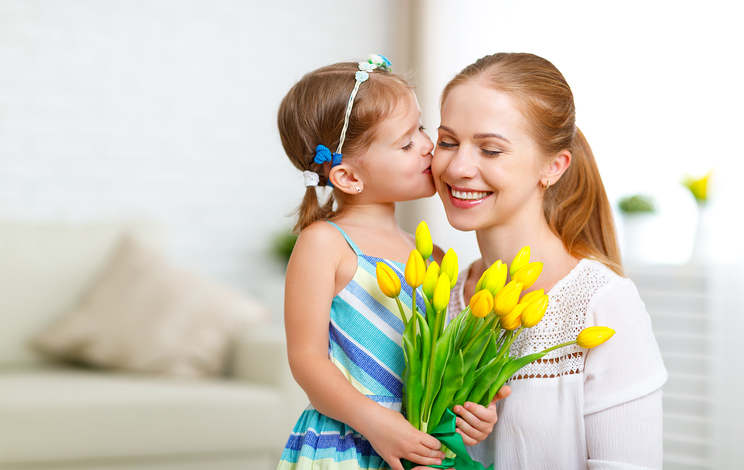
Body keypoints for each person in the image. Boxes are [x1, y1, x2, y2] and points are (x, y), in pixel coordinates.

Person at [432, 52, 668, 469]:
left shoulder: (602, 305)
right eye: (447, 142)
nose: (458, 166)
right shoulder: (440, 299)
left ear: (553, 167)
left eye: (490, 150)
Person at [276, 55, 505, 470]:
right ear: (348, 177)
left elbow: (439, 361)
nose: (428, 145)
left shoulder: (430, 254)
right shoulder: (324, 243)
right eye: (406, 143)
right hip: (348, 442)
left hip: (420, 441)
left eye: (421, 128)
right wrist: (376, 423)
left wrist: (472, 412)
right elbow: (306, 361)